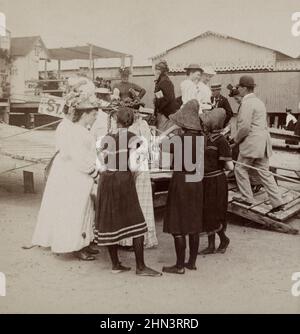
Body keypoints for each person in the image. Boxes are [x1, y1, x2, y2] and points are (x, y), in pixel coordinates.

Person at [94, 107, 161, 277]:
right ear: (131, 121)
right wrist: (140, 162)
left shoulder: (107, 138)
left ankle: (116, 264)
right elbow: (132, 166)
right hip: (122, 180)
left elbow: (99, 162)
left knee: (111, 221)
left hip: (105, 180)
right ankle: (140, 267)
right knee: (137, 223)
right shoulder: (133, 138)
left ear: (116, 120)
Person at [31, 100, 99, 260]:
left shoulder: (82, 129)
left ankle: (84, 242)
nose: (95, 117)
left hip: (82, 176)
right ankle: (75, 246)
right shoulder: (75, 131)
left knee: (85, 210)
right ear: (84, 114)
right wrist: (94, 172)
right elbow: (77, 157)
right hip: (77, 176)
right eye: (93, 114)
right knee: (76, 211)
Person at [162, 99, 204, 274]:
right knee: (193, 222)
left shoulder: (180, 139)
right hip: (196, 182)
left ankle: (179, 265)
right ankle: (191, 262)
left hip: (181, 182)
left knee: (177, 223)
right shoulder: (202, 138)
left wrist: (170, 130)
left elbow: (160, 145)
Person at [233, 75, 284, 215]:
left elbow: (244, 128)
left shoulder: (247, 103)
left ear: (244, 88)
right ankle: (277, 202)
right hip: (262, 143)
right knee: (265, 173)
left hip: (251, 143)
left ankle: (246, 198)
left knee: (240, 169)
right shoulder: (259, 102)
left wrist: (235, 140)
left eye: (239, 87)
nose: (238, 90)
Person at [119, 109, 158, 249]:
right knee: (141, 203)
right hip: (140, 167)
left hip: (135, 169)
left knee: (135, 204)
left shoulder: (133, 129)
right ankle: (138, 238)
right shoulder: (143, 126)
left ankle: (132, 240)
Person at [198, 108, 233, 255]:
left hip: (216, 182)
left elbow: (230, 166)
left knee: (215, 213)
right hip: (205, 180)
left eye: (205, 123)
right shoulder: (205, 138)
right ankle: (211, 245)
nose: (203, 125)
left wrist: (223, 167)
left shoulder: (222, 141)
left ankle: (224, 239)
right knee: (206, 212)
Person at [153, 60, 177, 131]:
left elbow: (167, 99)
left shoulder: (164, 81)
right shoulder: (162, 80)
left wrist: (158, 108)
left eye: (156, 70)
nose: (154, 72)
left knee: (163, 134)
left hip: (165, 114)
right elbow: (161, 97)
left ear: (159, 71)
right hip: (164, 113)